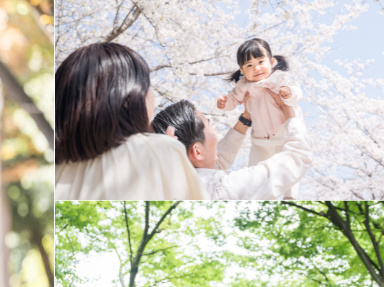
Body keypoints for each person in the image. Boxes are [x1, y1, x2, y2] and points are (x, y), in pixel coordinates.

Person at [55, 42, 205, 200]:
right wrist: (161, 152)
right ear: (129, 94)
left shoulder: (57, 168)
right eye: (148, 84)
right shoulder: (159, 149)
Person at [152, 94, 312, 200]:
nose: (214, 130)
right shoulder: (223, 187)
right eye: (209, 124)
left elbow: (214, 164)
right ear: (197, 151)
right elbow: (297, 159)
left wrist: (246, 118)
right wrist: (291, 115)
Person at [217, 37, 304, 197]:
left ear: (271, 62)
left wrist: (288, 93)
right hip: (259, 141)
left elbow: (296, 92)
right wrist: (225, 103)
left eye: (260, 62)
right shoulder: (243, 85)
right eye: (249, 65)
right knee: (255, 176)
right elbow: (234, 99)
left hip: (283, 136)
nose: (256, 68)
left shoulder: (279, 79)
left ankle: (290, 199)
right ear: (242, 71)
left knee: (289, 169)